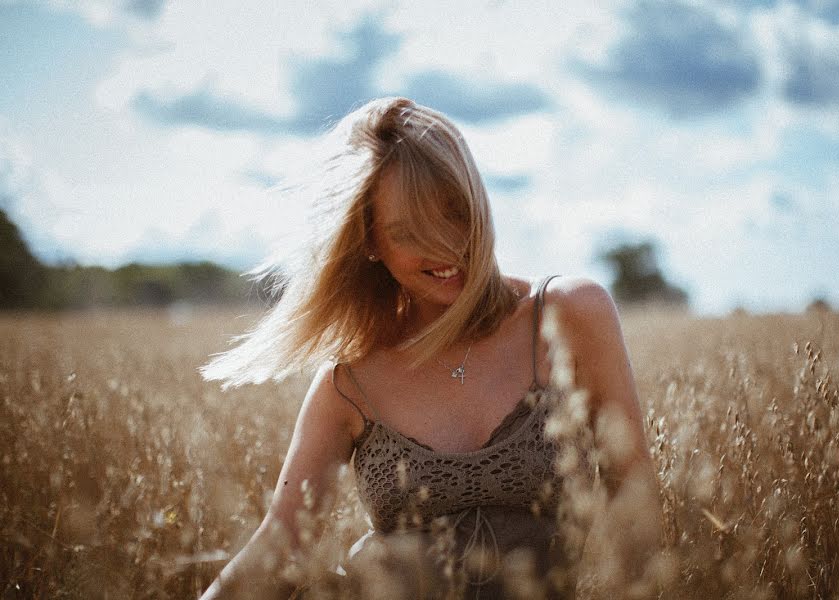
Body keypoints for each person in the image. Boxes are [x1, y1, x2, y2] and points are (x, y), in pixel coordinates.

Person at [199, 97, 660, 599]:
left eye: (455, 213)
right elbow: (281, 541)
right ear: (371, 243)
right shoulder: (350, 379)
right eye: (408, 232)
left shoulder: (569, 315)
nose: (444, 247)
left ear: (479, 203)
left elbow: (636, 504)